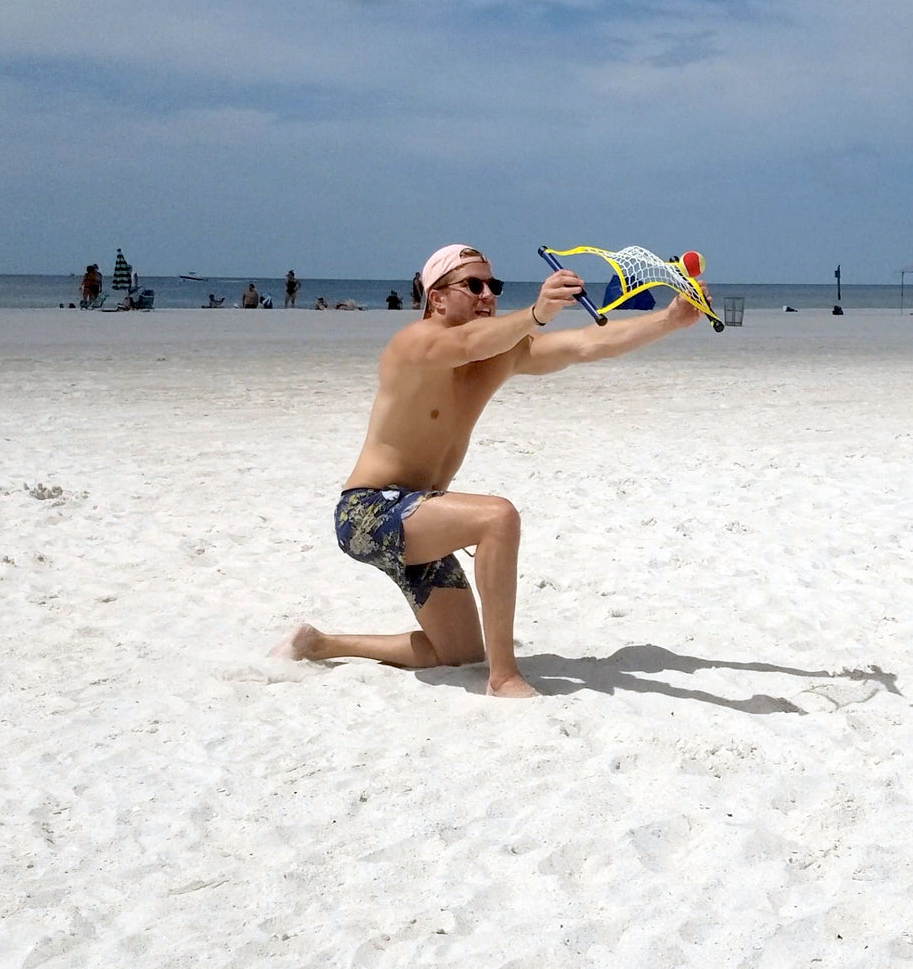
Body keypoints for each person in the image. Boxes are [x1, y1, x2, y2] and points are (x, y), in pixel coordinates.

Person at [272, 242, 702, 697]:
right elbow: (464, 343)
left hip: (422, 516)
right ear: (436, 297)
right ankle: (504, 678)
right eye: (472, 285)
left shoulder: (501, 352)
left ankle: (319, 644)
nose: (487, 295)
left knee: (457, 655)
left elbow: (586, 343)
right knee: (498, 517)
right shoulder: (415, 343)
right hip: (368, 512)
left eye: (493, 286)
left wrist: (670, 319)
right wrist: (536, 313)